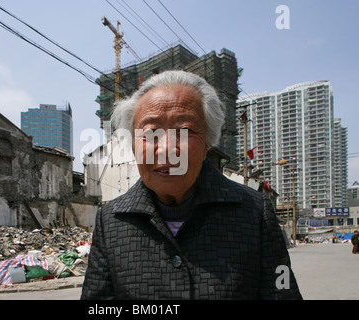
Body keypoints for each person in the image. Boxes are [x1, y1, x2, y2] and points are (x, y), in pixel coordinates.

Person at [81, 70, 302, 300]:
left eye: (184, 131)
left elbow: (283, 290)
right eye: (150, 132)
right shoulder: (111, 221)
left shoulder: (256, 213)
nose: (166, 148)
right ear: (133, 144)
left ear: (207, 143)